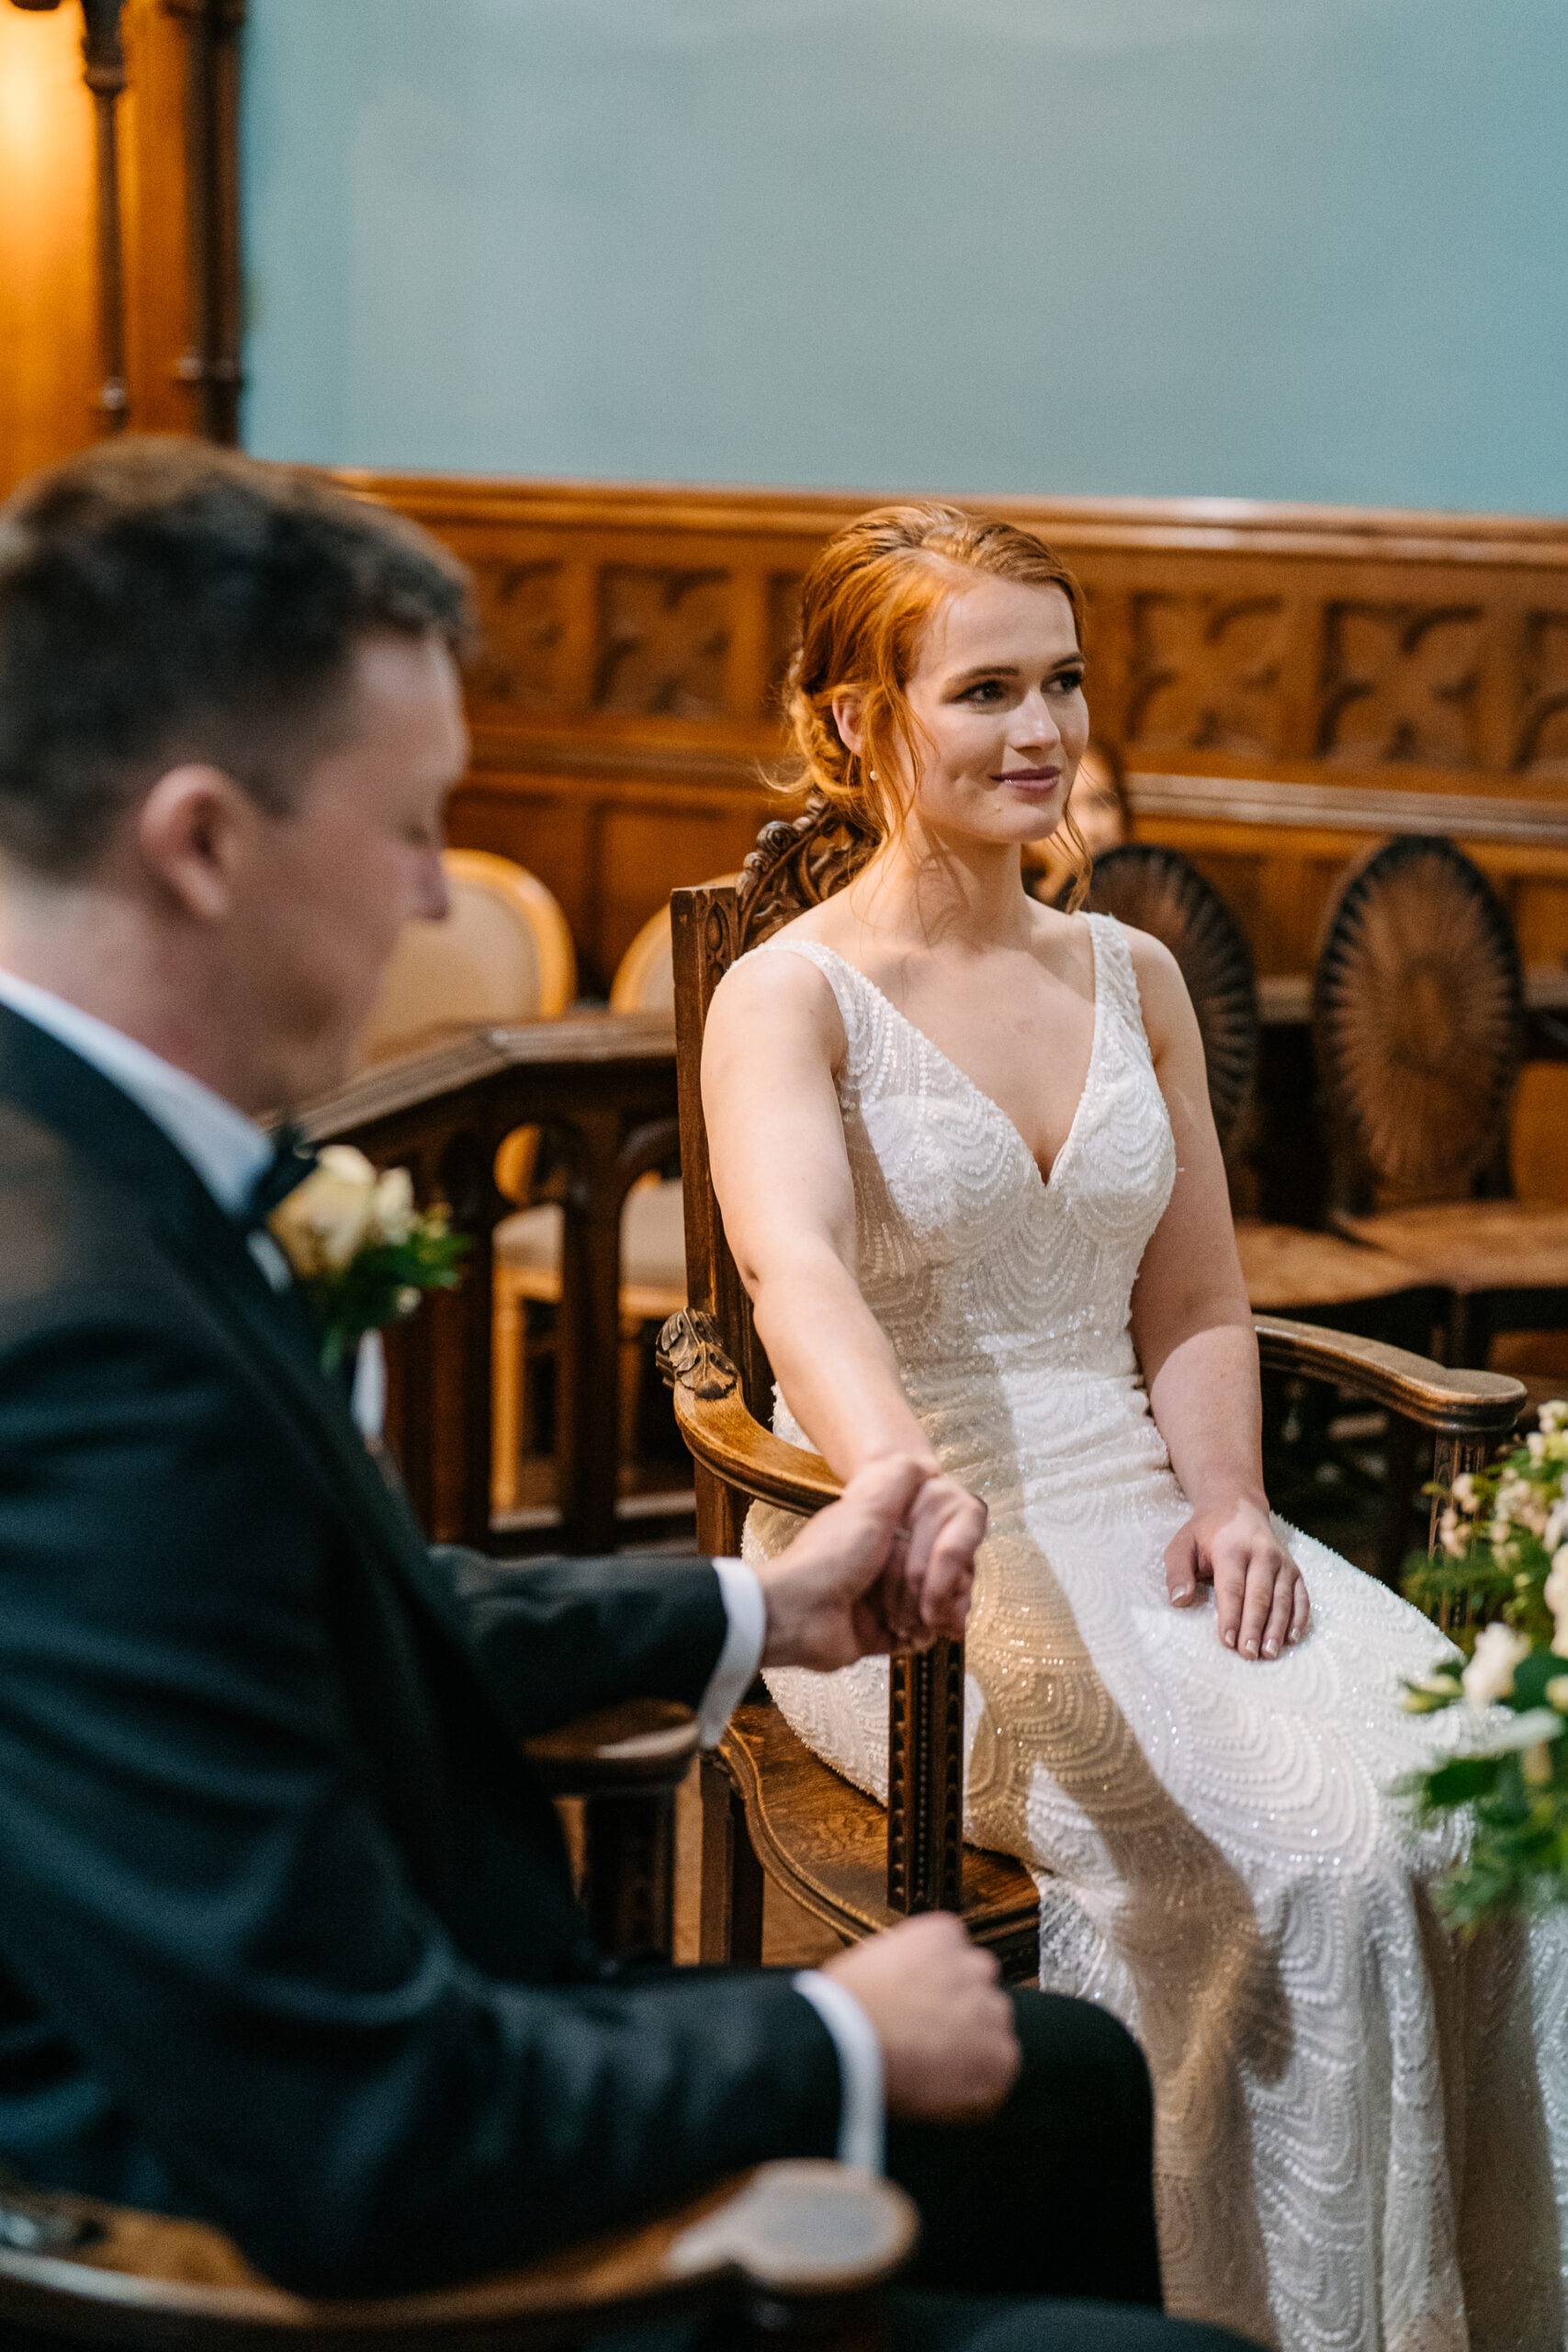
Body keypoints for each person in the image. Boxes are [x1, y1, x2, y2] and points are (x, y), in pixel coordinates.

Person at [0, 440, 1256, 2352]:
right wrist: (822, 2029)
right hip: (275, 2240)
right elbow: (347, 2130)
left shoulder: (93, 1172)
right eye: (412, 825)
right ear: (201, 841)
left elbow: (331, 1623)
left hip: (392, 2040)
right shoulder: (85, 1330)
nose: (437, 894)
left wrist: (748, 1603)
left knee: (1065, 2071)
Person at [702, 503, 1568, 2352]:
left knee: (1486, 1777)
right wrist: (902, 1493)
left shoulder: (1133, 974)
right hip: (900, 1551)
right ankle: (1262, 2320)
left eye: (1063, 680)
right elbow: (796, 1281)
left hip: (1144, 1493)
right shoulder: (785, 995)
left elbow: (1185, 1296)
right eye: (986, 687)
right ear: (860, 717)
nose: (1041, 728)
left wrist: (1236, 1498)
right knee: (1310, 1854)